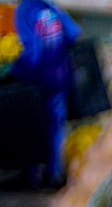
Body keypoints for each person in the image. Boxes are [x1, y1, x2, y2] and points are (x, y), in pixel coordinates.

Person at [10, 0, 80, 186]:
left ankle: (30, 175)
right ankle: (54, 173)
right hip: (59, 74)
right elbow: (74, 32)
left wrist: (16, 68)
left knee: (31, 125)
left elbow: (33, 47)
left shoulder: (24, 9)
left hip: (38, 77)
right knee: (56, 126)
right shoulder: (50, 6)